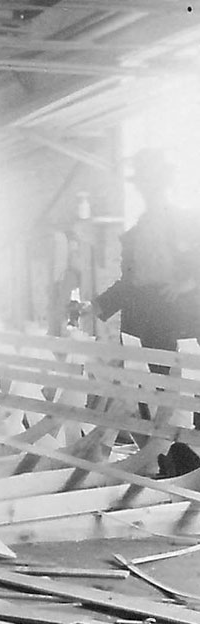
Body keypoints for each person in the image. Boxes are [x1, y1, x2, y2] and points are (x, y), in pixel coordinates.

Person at [88, 148, 200, 463]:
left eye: (156, 182)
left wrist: (188, 284)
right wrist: (97, 307)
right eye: (145, 184)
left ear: (166, 183)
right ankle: (170, 462)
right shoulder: (134, 235)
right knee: (154, 397)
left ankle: (190, 464)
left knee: (190, 395)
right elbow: (129, 282)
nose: (150, 189)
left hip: (186, 322)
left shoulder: (190, 222)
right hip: (147, 325)